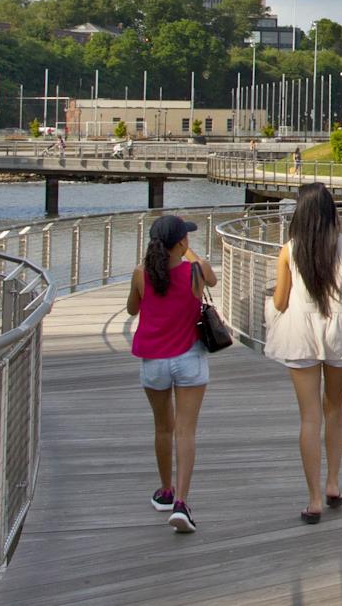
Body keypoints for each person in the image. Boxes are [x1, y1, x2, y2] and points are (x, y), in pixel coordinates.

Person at [265, 183, 342, 524]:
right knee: (334, 408)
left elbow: (280, 301)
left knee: (309, 417)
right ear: (330, 212)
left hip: (300, 332)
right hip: (339, 331)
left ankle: (312, 500)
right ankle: (333, 483)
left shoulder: (289, 250)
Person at [126, 214, 214, 534]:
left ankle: (165, 491)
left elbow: (132, 310)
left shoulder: (140, 273)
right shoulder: (195, 270)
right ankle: (182, 501)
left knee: (163, 428)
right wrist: (188, 254)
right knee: (186, 432)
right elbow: (212, 280)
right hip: (189, 357)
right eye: (186, 237)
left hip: (154, 361)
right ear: (181, 242)